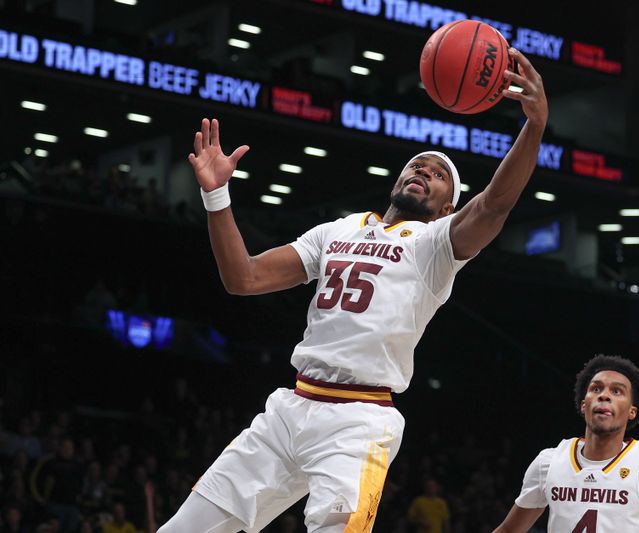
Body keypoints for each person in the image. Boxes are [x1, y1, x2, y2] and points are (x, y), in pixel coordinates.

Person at [159, 47, 548, 533]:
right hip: (290, 407)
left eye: (438, 173)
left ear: (449, 207)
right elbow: (244, 278)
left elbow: (493, 206)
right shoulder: (336, 230)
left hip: (360, 421)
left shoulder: (436, 245)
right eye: (417, 165)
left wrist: (533, 126)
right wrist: (216, 196)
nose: (423, 171)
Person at [492, 355, 639, 533]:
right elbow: (510, 529)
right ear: (584, 404)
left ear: (632, 411)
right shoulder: (549, 462)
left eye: (617, 391)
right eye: (596, 388)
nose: (604, 395)